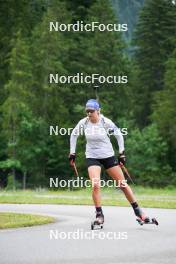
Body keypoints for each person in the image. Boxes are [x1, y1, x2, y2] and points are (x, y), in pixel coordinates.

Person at [69, 99, 149, 224]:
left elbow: (119, 135)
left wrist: (121, 153)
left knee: (122, 184)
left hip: (108, 156)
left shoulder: (105, 122)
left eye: (92, 111)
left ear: (98, 111)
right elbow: (74, 134)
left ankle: (138, 211)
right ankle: (99, 215)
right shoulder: (84, 122)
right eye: (87, 111)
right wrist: (72, 152)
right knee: (95, 184)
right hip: (92, 156)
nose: (89, 114)